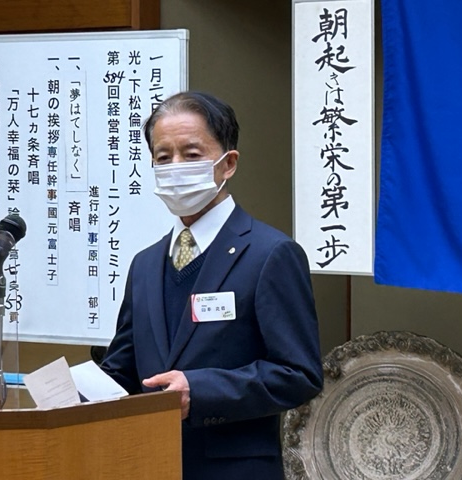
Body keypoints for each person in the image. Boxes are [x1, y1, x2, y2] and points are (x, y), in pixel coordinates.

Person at [100, 91, 323, 479]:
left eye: (191, 154)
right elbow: (122, 369)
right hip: (150, 464)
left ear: (228, 163)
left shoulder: (270, 254)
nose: (175, 167)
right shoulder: (145, 264)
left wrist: (200, 390)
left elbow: (299, 374)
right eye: (163, 157)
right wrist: (68, 392)